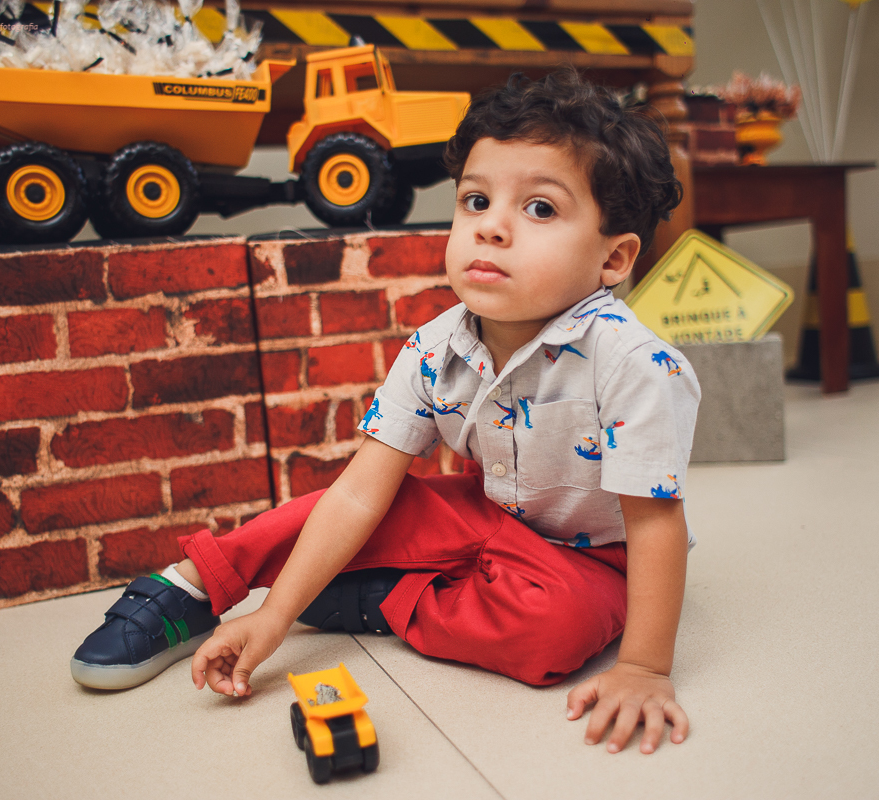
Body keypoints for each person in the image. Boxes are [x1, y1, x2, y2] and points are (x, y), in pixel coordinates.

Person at [71, 69, 699, 755]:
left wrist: (643, 667)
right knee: (365, 501)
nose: (491, 227)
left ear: (614, 257)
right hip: (489, 517)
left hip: (591, 557)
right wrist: (275, 618)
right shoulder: (436, 345)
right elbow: (358, 496)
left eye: (540, 209)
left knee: (555, 633)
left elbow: (655, 521)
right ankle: (194, 585)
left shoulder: (636, 364)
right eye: (476, 200)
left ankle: (378, 599)